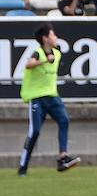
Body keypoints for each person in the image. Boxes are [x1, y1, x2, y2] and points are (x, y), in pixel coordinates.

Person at [18, 24, 81, 176]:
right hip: (37, 98)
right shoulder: (38, 53)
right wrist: (45, 61)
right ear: (45, 38)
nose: (56, 37)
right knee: (35, 132)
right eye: (53, 35)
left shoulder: (57, 53)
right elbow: (29, 64)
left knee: (64, 120)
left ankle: (63, 158)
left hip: (52, 96)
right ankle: (23, 166)